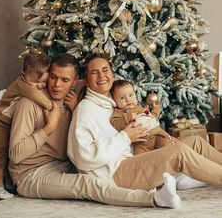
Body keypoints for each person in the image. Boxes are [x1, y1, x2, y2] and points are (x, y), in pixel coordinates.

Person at [9, 52, 182, 209]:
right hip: (30, 174)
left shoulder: (75, 104)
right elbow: (15, 155)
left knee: (102, 172)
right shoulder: (29, 104)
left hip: (65, 165)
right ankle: (155, 199)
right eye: (53, 77)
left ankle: (175, 178)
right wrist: (49, 128)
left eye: (65, 80)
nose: (56, 85)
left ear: (76, 81)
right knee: (88, 184)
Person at [67, 52, 222, 205]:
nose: (101, 76)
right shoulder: (86, 109)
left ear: (112, 75)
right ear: (86, 81)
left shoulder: (111, 104)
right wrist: (125, 137)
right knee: (179, 153)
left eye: (105, 70)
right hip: (117, 174)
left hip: (137, 158)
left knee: (195, 142)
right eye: (94, 72)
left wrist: (164, 138)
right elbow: (82, 158)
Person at [0, 53, 52, 199]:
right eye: (35, 82)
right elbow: (44, 101)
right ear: (23, 74)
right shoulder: (23, 85)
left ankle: (8, 183)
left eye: (43, 82)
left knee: (11, 153)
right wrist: (53, 108)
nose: (39, 86)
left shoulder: (29, 83)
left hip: (8, 123)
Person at [110, 79, 175, 154]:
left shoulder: (140, 108)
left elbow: (151, 118)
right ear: (114, 101)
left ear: (135, 95)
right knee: (141, 158)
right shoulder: (118, 112)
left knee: (167, 149)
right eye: (122, 98)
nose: (128, 100)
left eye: (131, 95)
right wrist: (127, 117)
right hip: (141, 144)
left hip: (158, 134)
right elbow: (115, 122)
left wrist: (156, 109)